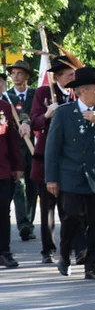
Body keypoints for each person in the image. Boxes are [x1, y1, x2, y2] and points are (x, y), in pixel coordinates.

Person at [44, 66, 95, 280]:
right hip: (70, 176)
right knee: (71, 217)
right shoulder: (63, 113)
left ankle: (92, 266)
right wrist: (51, 178)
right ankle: (64, 254)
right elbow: (52, 149)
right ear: (82, 91)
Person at [30, 56, 83, 265]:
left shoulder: (76, 93)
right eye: (70, 75)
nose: (73, 78)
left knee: (72, 208)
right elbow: (34, 121)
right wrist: (47, 114)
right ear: (58, 77)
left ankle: (76, 248)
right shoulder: (44, 93)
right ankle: (48, 250)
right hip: (47, 158)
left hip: (71, 159)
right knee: (48, 208)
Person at [5, 60, 37, 244]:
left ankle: (29, 221)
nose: (15, 76)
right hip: (15, 149)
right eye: (13, 73)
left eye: (19, 73)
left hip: (34, 147)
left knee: (33, 188)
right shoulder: (6, 97)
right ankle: (24, 225)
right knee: (19, 187)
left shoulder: (37, 94)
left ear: (27, 76)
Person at [0, 75, 24, 268]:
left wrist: (17, 166)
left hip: (3, 170)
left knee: (3, 211)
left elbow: (12, 140)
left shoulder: (5, 108)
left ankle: (4, 252)